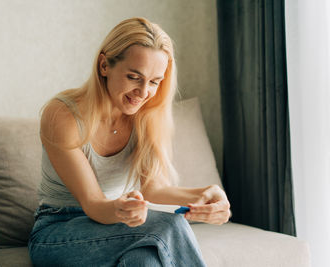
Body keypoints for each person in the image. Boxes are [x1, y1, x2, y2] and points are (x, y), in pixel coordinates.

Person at [28, 17, 231, 267]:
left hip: (119, 228)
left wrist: (205, 195)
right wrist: (121, 210)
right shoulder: (63, 115)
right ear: (104, 65)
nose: (144, 92)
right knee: (169, 224)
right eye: (134, 77)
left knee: (144, 261)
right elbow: (93, 205)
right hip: (58, 232)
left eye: (155, 82)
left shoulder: (144, 117)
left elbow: (152, 189)